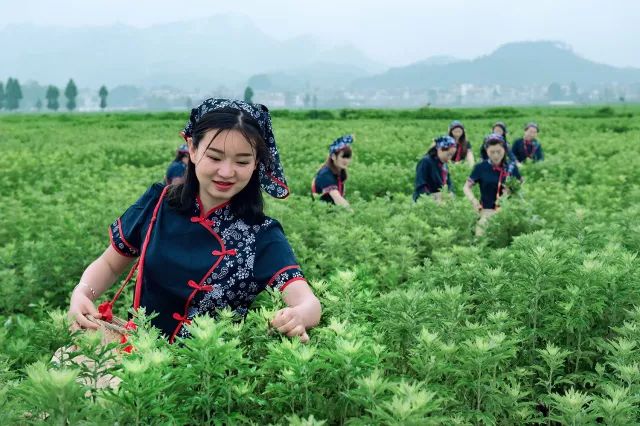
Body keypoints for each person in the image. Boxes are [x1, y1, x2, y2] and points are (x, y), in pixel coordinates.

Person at [68, 98, 321, 344]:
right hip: (138, 360)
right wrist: (82, 292)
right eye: (214, 157)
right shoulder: (159, 202)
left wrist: (296, 316)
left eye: (242, 161)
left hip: (206, 374)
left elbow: (309, 304)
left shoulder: (262, 234)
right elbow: (111, 264)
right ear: (192, 148)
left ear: (256, 164)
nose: (226, 171)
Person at [464, 133, 523, 236]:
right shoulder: (481, 167)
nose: (496, 155)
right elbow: (466, 187)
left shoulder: (512, 167)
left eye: (499, 151)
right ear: (486, 151)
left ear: (505, 150)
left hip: (507, 211)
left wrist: (510, 192)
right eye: (492, 152)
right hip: (487, 211)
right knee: (481, 238)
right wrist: (473, 201)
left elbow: (519, 185)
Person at [311, 134, 353, 208]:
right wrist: (353, 214)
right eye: (343, 157)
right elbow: (337, 199)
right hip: (323, 215)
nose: (346, 161)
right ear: (333, 156)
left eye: (348, 157)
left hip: (333, 214)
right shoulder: (325, 174)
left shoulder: (339, 173)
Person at [413, 135, 457, 202]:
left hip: (441, 201)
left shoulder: (444, 164)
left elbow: (449, 183)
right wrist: (434, 197)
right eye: (448, 154)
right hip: (424, 202)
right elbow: (420, 186)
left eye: (452, 155)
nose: (450, 158)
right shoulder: (425, 162)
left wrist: (450, 193)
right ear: (439, 150)